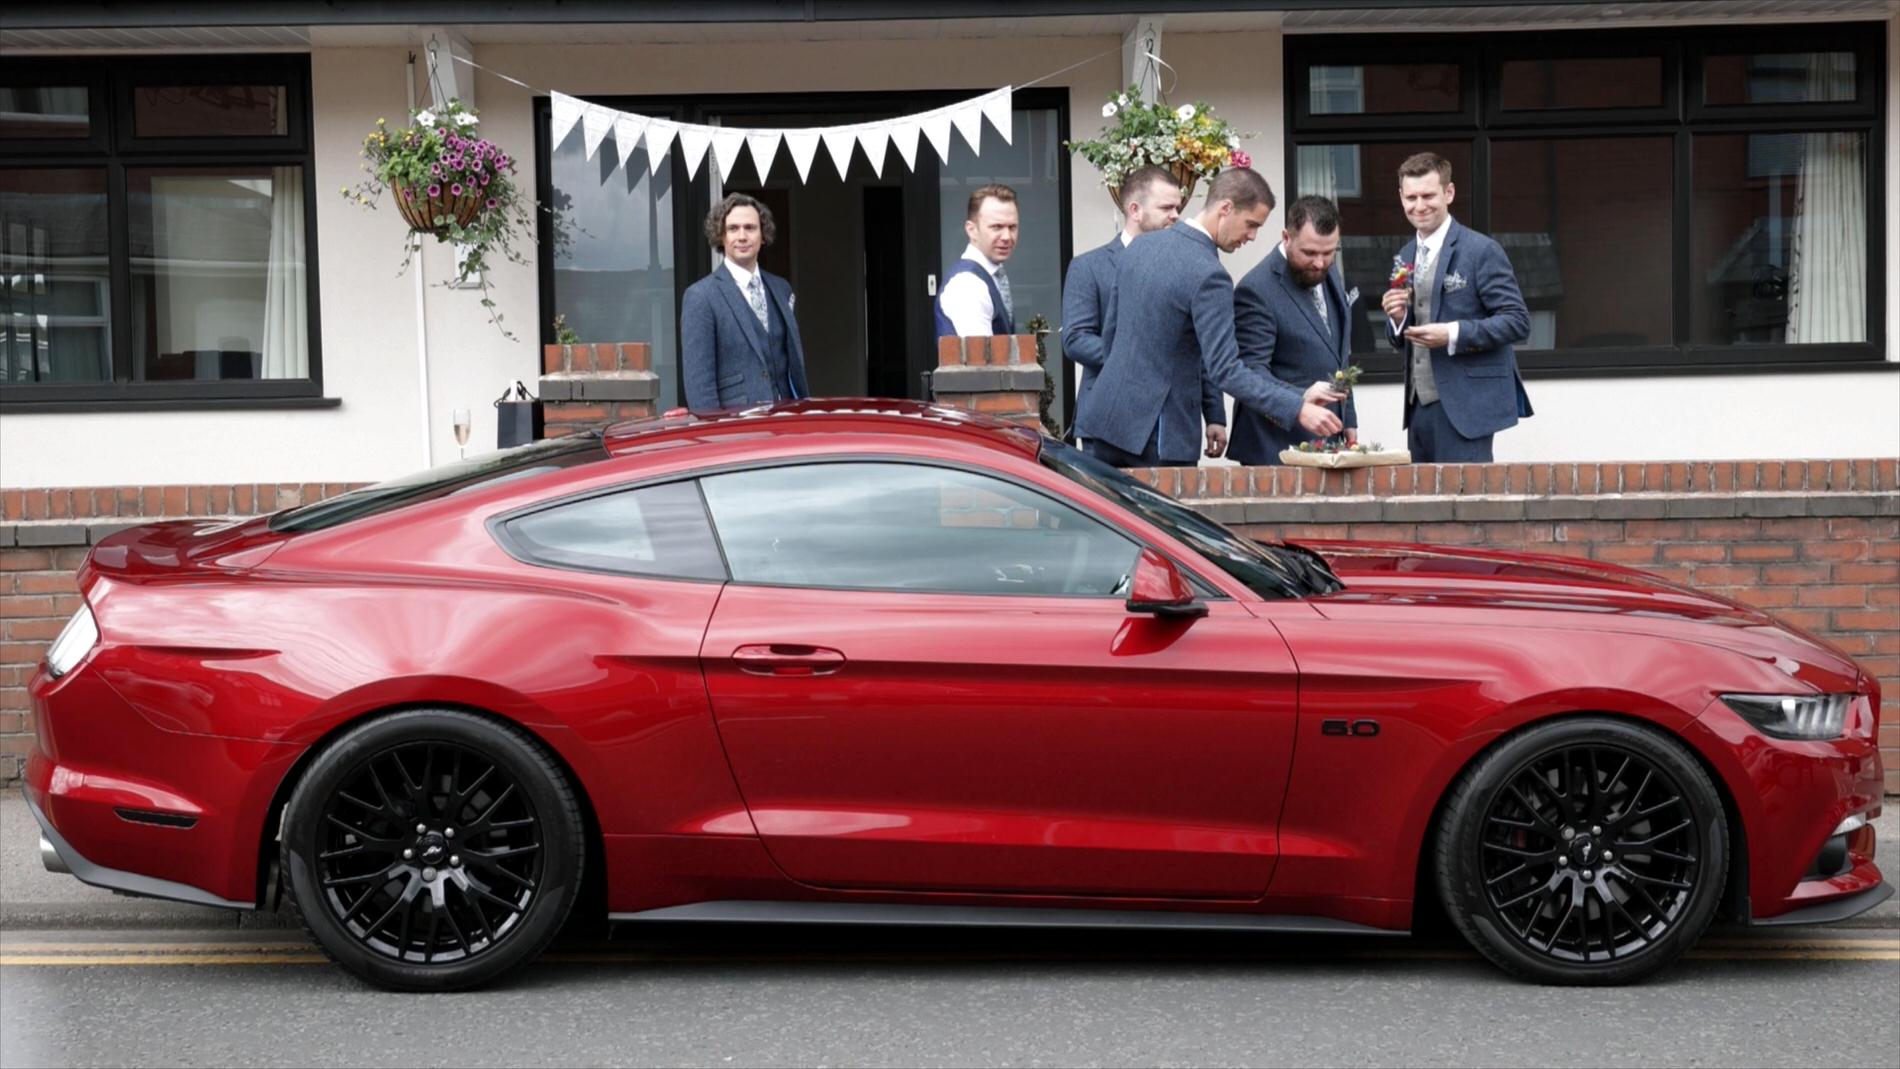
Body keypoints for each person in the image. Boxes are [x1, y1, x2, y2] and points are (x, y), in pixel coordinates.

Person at [1073, 167, 1297, 468]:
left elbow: (1112, 336)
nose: (1253, 236)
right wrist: (1297, 406)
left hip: (1106, 425)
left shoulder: (1139, 246)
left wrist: (1213, 413)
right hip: (1161, 435)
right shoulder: (1211, 274)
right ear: (1226, 208)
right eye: (1251, 224)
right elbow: (1225, 369)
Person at [1380, 152, 1533, 463]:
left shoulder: (1481, 250)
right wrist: (1398, 319)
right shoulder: (1405, 254)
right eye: (1411, 197)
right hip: (1417, 407)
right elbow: (1401, 337)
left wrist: (1451, 334)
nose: (1419, 206)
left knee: (1464, 494)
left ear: (1448, 193)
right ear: (1401, 197)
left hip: (1467, 408)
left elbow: (1517, 321)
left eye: (1428, 196)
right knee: (1422, 495)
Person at [1228, 195, 1356, 465]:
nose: (1320, 263)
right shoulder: (1255, 290)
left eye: (1329, 252)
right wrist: (1300, 400)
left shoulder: (1328, 270)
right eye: (1309, 253)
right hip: (1273, 448)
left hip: (1328, 439)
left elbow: (1337, 355)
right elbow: (1250, 372)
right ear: (1286, 238)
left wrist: (1349, 418)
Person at [1061, 165, 1183, 431]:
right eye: (1166, 208)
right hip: (1109, 418)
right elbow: (1076, 339)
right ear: (1135, 210)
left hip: (1171, 423)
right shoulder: (1089, 267)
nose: (1176, 215)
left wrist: (1215, 415)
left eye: (1178, 208)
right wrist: (1136, 360)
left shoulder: (1183, 268)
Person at [680, 193, 809, 413]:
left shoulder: (781, 288)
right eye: (733, 228)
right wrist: (716, 430)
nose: (742, 236)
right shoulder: (700, 296)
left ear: (763, 235)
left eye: (750, 228)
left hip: (787, 420)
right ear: (721, 236)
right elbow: (699, 387)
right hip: (737, 425)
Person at [935, 184, 1019, 337]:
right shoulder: (968, 284)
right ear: (971, 230)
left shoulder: (989, 275)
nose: (1007, 236)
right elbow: (980, 352)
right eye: (997, 227)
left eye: (1012, 227)